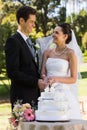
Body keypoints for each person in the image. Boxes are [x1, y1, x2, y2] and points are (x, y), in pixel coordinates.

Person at [5, 6, 46, 110]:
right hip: (22, 98)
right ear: (21, 20)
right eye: (31, 22)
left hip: (35, 96)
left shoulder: (30, 41)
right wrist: (36, 82)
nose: (34, 25)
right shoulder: (13, 41)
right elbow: (12, 72)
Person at [41, 23, 81, 119]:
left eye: (56, 33)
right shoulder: (47, 52)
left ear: (65, 36)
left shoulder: (70, 53)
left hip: (63, 95)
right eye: (53, 32)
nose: (53, 35)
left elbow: (73, 79)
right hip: (47, 93)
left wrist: (56, 78)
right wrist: (45, 78)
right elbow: (42, 72)